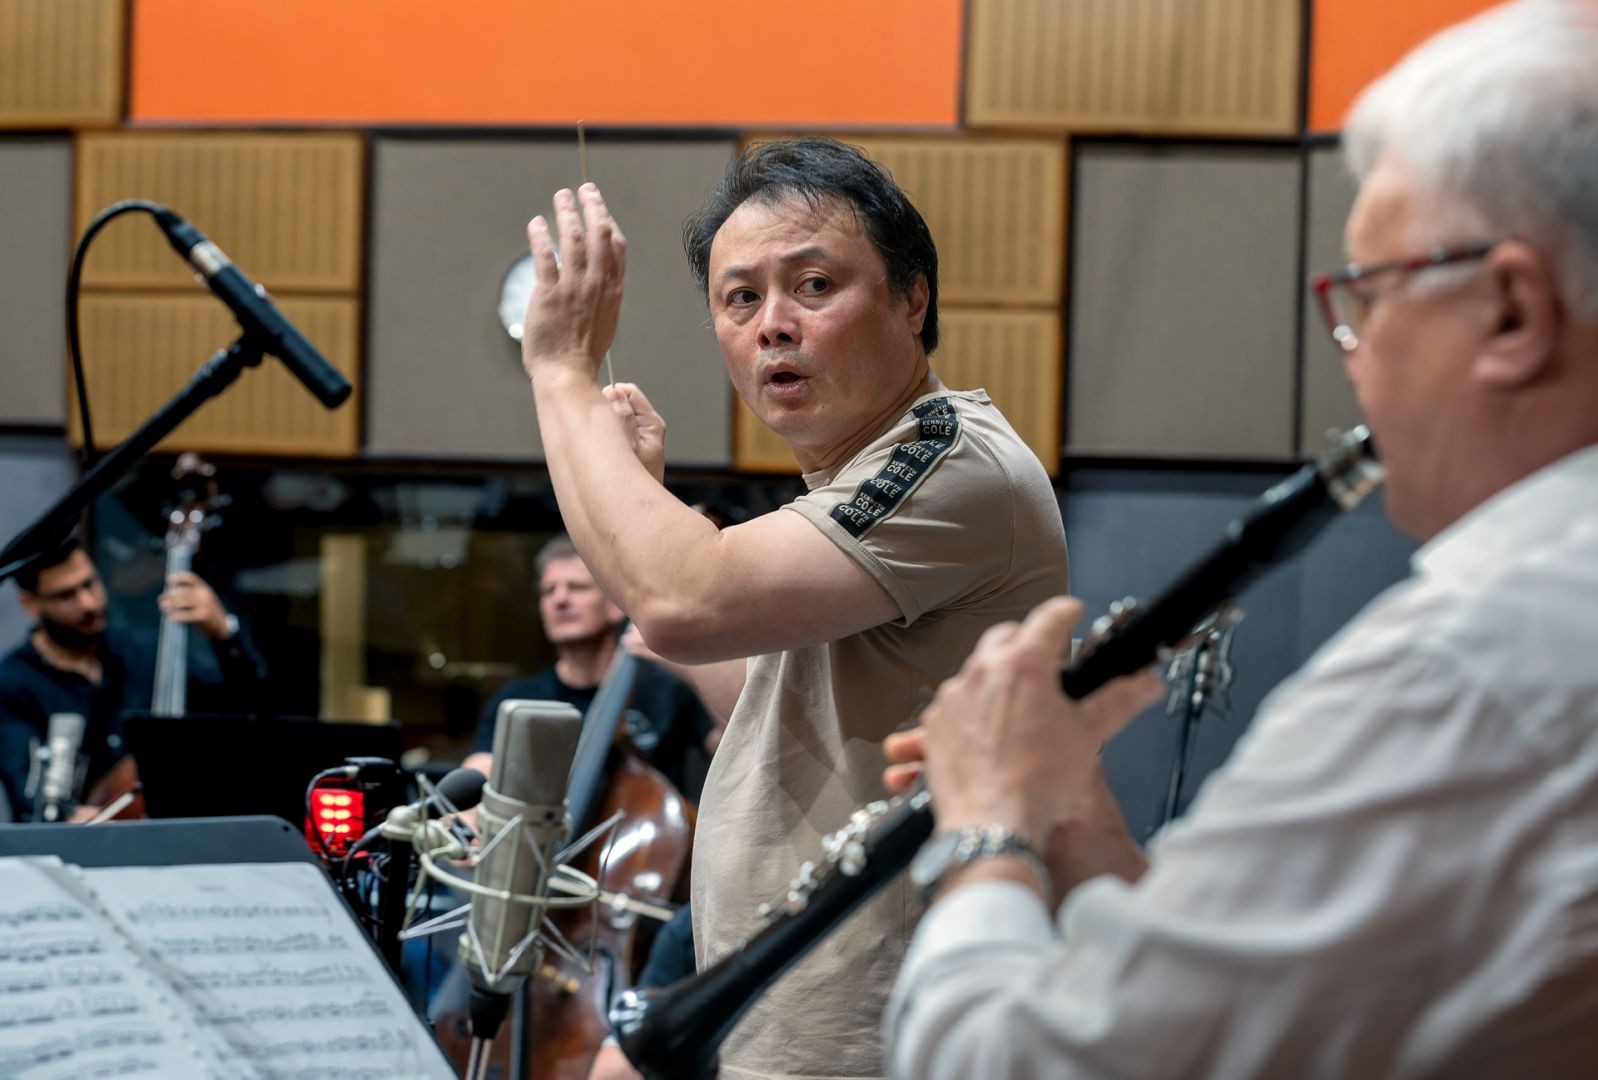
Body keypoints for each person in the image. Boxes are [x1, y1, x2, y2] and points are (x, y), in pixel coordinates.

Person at [880, 2, 1598, 1076]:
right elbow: (1263, 1024)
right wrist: (1081, 842)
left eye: (1369, 296)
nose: (1352, 356)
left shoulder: (1465, 671)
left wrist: (985, 828)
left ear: (1510, 312)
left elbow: (1015, 1062)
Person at [520, 138, 1070, 1079]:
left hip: (889, 1043)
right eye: (741, 298)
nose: (773, 324)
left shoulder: (947, 456)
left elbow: (687, 600)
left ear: (912, 299)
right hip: (783, 1032)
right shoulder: (849, 487)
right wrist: (638, 516)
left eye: (814, 286)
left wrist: (562, 368)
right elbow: (759, 697)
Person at [0, 537, 267, 822]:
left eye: (90, 584)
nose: (88, 603)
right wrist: (68, 818)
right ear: (30, 603)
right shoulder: (12, 683)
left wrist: (224, 632)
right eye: (66, 596)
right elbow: (25, 789)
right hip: (72, 846)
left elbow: (250, 707)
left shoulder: (143, 653)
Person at [463, 533, 715, 803]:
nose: (560, 599)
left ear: (614, 605)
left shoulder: (669, 689)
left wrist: (687, 664)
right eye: (549, 591)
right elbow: (481, 768)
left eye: (577, 587)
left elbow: (727, 743)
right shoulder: (517, 700)